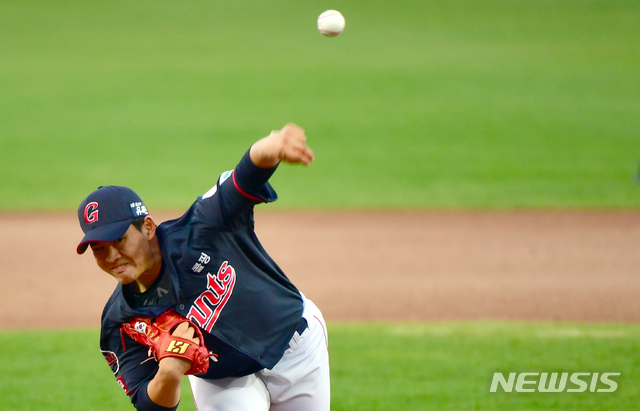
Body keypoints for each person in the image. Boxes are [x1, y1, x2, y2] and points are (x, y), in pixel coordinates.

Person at [76, 124, 330, 411]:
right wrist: (169, 372)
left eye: (119, 240)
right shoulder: (120, 321)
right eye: (98, 248)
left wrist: (271, 147)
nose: (112, 257)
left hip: (295, 345)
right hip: (221, 377)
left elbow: (244, 177)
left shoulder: (201, 228)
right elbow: (150, 406)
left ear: (147, 227)